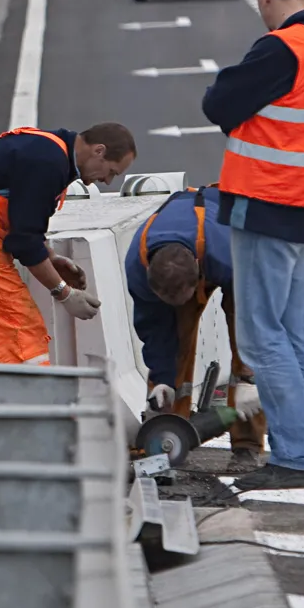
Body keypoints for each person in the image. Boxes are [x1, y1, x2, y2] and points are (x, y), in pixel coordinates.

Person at [202, 0, 304, 491]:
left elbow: (219, 103)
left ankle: (296, 457)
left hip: (267, 205)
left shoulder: (279, 48)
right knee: (291, 334)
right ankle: (300, 447)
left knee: (262, 339)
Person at [0, 123, 138, 364]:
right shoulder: (49, 163)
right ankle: (36, 394)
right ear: (99, 151)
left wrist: (50, 258)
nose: (106, 181)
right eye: (111, 171)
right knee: (20, 329)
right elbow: (24, 242)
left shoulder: (51, 151)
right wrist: (65, 293)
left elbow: (25, 221)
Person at [124, 184, 266, 473]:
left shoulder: (228, 256)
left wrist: (249, 379)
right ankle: (166, 437)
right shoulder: (139, 270)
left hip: (233, 238)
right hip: (189, 248)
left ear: (198, 275)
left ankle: (247, 448)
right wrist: (163, 378)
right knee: (173, 346)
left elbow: (254, 317)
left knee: (248, 349)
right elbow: (155, 330)